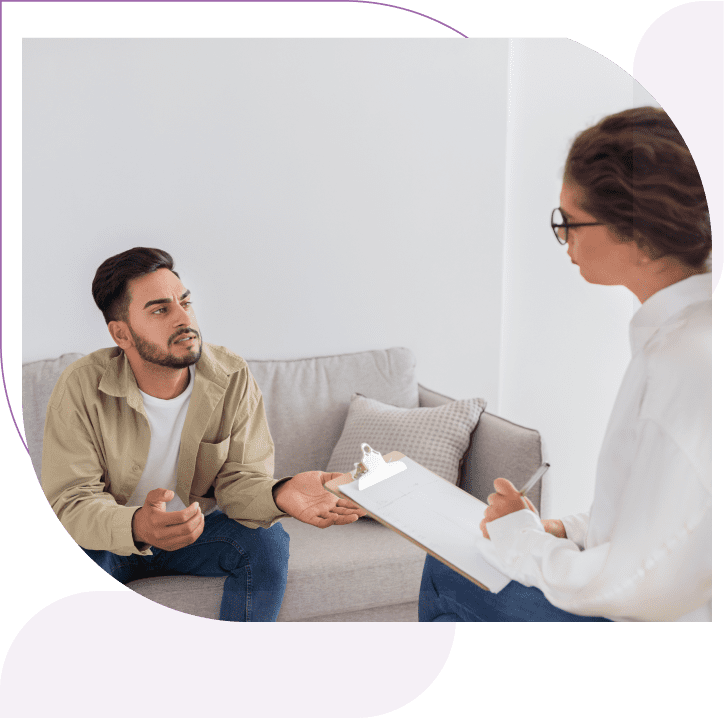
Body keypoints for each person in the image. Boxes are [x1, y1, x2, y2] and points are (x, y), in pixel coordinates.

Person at [418, 106, 712, 622]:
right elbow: (669, 522)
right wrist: (559, 531)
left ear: (638, 235)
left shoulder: (684, 365)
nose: (565, 240)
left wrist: (523, 542)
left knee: (448, 569)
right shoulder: (676, 337)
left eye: (570, 223)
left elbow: (642, 586)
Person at [41, 248, 367, 622]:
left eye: (185, 302)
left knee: (267, 543)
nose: (184, 318)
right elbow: (71, 500)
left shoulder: (231, 376)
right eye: (160, 310)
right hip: (111, 540)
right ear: (121, 333)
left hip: (197, 534)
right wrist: (137, 526)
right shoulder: (81, 386)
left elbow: (240, 480)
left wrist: (282, 493)